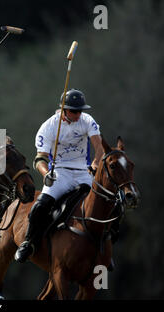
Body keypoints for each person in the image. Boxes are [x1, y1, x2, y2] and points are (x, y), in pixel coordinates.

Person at [14, 88, 104, 263]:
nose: (78, 114)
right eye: (74, 111)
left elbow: (99, 148)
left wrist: (94, 165)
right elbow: (40, 159)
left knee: (106, 201)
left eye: (80, 110)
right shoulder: (49, 127)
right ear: (64, 109)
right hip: (60, 173)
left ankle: (105, 244)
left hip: (83, 171)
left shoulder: (87, 121)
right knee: (40, 206)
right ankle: (29, 242)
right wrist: (46, 173)